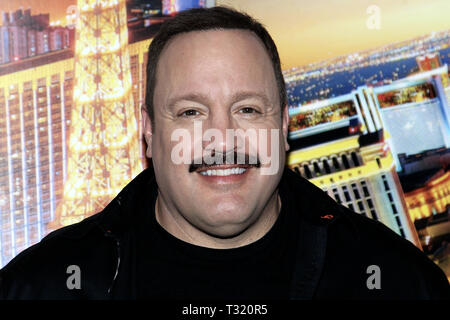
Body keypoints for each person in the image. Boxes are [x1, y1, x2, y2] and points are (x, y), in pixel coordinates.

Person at [0, 6, 449, 300]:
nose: (222, 138)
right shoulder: (40, 288)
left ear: (283, 125)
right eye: (192, 112)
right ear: (149, 132)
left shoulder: (397, 283)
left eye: (248, 109)